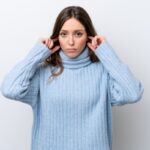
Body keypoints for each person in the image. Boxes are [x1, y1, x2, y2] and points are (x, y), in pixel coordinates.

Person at [0, 5, 144, 150]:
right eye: (64, 34)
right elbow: (9, 89)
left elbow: (133, 93)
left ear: (88, 36)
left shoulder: (103, 73)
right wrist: (37, 54)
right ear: (57, 37)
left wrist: (106, 52)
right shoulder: (43, 73)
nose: (70, 42)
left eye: (78, 34)